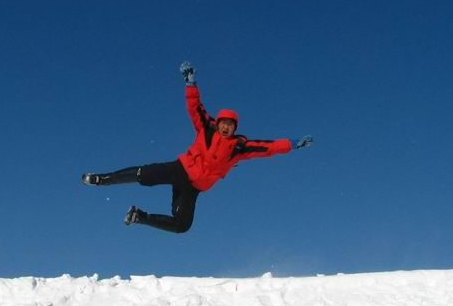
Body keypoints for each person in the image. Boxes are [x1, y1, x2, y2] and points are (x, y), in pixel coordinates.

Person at [82, 62, 313, 233]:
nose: (225, 128)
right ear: (218, 123)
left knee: (182, 225)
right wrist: (191, 83)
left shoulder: (239, 147)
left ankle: (139, 217)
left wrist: (292, 144)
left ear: (234, 128)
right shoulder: (207, 128)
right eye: (223, 123)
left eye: (230, 125)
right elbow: (195, 107)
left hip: (193, 188)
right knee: (145, 175)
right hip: (180, 169)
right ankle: (103, 179)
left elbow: (268, 147)